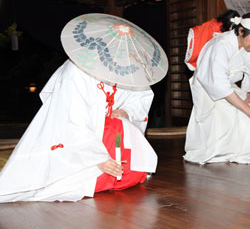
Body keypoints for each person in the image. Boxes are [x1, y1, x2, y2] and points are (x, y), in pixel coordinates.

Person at [0, 60, 157, 202]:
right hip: (76, 135)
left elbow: (141, 96)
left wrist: (127, 111)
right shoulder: (76, 70)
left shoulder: (129, 66)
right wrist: (98, 159)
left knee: (130, 173)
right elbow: (72, 117)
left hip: (110, 130)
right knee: (72, 180)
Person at [184, 12, 250, 164]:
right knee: (221, 117)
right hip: (207, 85)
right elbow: (218, 84)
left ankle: (240, 153)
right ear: (241, 31)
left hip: (227, 85)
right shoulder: (220, 45)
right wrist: (247, 109)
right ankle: (215, 154)